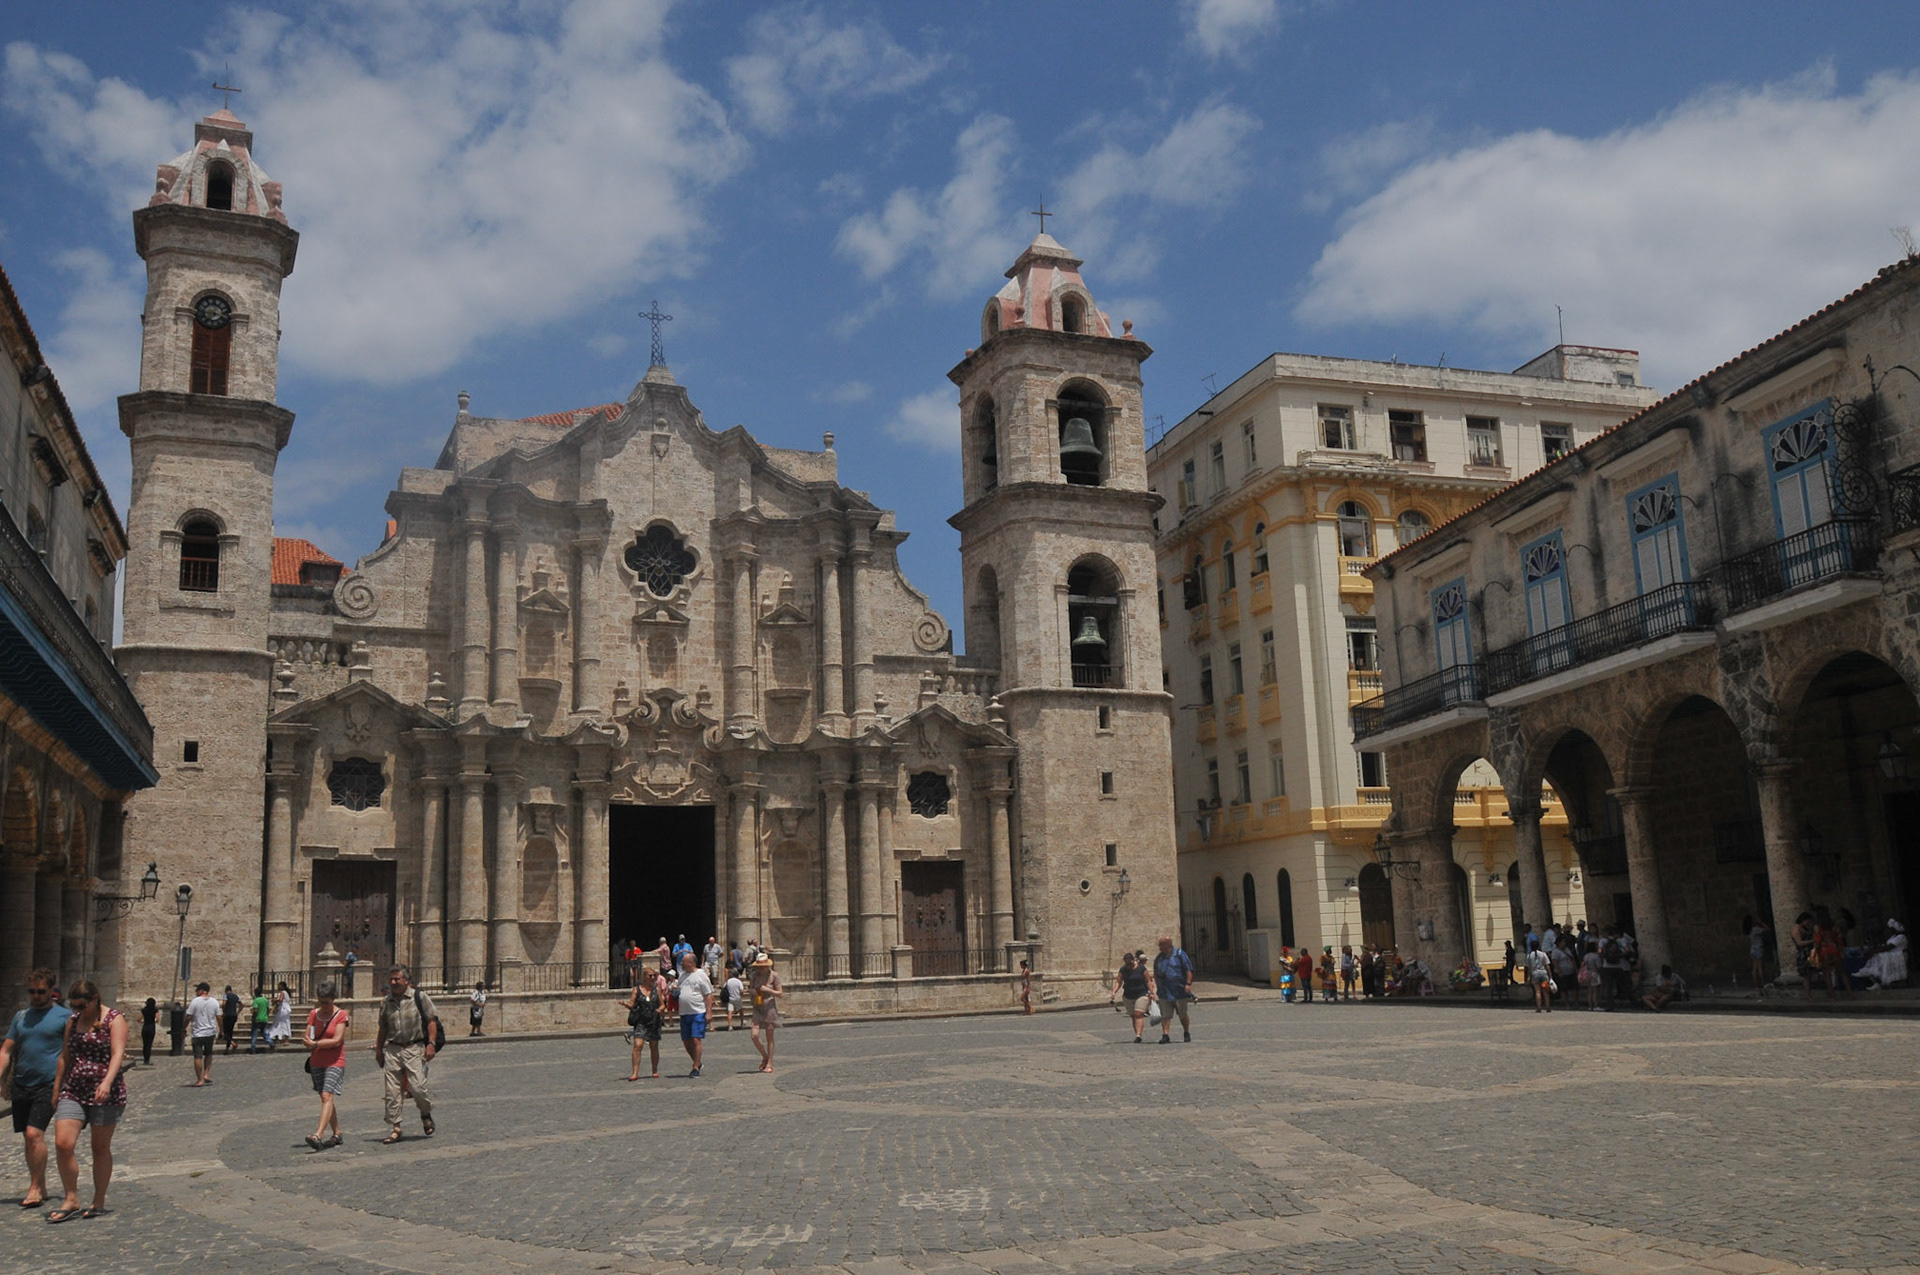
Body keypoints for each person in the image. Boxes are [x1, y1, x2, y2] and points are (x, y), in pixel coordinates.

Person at [46, 979, 127, 1222]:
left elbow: (118, 1054)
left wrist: (107, 1082)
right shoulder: (73, 1021)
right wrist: (56, 1088)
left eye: (82, 1006)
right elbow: (65, 1056)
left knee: (99, 1148)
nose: (78, 1010)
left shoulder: (114, 1019)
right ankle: (71, 1198)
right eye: (74, 1006)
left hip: (106, 1092)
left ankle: (98, 1201)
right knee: (63, 1143)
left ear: (94, 1000)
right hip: (74, 1089)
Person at [1, 969, 72, 1209]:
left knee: (34, 1134)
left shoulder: (64, 1017)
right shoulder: (21, 1017)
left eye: (40, 991)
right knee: (28, 1138)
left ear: (51, 990)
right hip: (22, 1083)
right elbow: (6, 1051)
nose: (35, 996)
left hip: (49, 1084)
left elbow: (69, 1052)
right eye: (31, 991)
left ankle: (34, 1188)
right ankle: (39, 1183)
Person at [373, 965, 439, 1144]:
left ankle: (425, 1113)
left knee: (417, 1087)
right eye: (391, 979)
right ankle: (396, 1128)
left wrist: (431, 1044)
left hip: (413, 1047)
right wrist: (379, 1050)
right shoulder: (386, 1002)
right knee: (392, 1091)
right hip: (393, 1049)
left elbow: (432, 1021)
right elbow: (383, 1027)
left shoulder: (420, 997)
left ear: (406, 981)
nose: (393, 982)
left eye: (397, 979)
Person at [304, 982, 349, 1150]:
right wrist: (310, 1042)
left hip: (335, 1061)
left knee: (326, 1095)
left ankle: (318, 1135)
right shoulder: (313, 1014)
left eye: (327, 1002)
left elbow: (337, 1040)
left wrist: (316, 1044)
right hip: (317, 1061)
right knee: (326, 1098)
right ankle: (337, 1133)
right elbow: (307, 1036)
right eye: (321, 1002)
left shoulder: (341, 1015)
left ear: (334, 999)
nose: (324, 1006)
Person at [675, 950, 714, 1077]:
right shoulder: (682, 976)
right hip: (684, 1012)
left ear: (691, 963)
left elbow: (708, 995)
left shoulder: (701, 975)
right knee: (686, 1041)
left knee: (696, 1039)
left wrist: (709, 1012)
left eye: (683, 962)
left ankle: (695, 1067)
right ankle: (697, 1061)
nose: (681, 963)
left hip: (697, 1011)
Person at [619, 974, 662, 1080]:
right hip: (641, 1021)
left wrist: (660, 1009)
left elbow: (662, 1004)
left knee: (654, 1045)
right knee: (638, 1045)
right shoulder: (636, 990)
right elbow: (632, 1005)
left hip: (653, 1020)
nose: (653, 978)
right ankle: (635, 1073)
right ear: (644, 977)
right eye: (650, 976)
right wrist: (625, 1004)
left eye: (654, 976)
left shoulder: (657, 990)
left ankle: (655, 1070)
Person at [1153, 935, 1194, 1043]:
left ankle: (1186, 1032)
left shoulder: (1180, 954)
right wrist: (1157, 986)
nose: (1160, 947)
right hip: (1164, 991)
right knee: (1165, 1015)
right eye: (1159, 944)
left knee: (1182, 1014)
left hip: (1178, 990)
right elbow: (1155, 972)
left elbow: (1188, 970)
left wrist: (1188, 984)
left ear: (1168, 944)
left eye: (1162, 944)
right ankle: (1165, 1035)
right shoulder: (1159, 958)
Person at [748, 953, 784, 1073]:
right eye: (759, 966)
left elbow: (780, 993)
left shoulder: (774, 976)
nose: (760, 969)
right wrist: (752, 991)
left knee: (769, 1036)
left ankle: (770, 1062)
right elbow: (750, 988)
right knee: (754, 1035)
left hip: (769, 1008)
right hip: (757, 1007)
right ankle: (764, 1056)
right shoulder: (754, 975)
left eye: (762, 966)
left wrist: (767, 990)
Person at [1111, 952, 1153, 1043]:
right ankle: (1137, 1033)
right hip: (1128, 995)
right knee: (1133, 1016)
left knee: (1138, 1014)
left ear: (1133, 961)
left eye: (1130, 963)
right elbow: (1119, 982)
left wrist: (1151, 992)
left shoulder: (1141, 968)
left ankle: (1138, 1035)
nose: (1128, 965)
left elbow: (1148, 980)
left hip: (1141, 994)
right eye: (1126, 963)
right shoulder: (1123, 970)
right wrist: (1114, 991)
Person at [1856, 919, 1909, 988]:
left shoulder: (1901, 937)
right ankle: (1873, 976)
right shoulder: (1893, 937)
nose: (1889, 931)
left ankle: (1876, 978)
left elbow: (1888, 947)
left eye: (1891, 929)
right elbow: (1885, 946)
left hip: (1899, 956)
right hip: (1892, 955)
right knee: (1878, 957)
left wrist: (1874, 951)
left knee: (1879, 956)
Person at [186, 982, 221, 1085]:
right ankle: (206, 1074)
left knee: (198, 1056)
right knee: (208, 1053)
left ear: (202, 990)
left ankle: (199, 1079)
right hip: (210, 1032)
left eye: (197, 990)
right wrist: (221, 1030)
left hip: (197, 1033)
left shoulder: (194, 1002)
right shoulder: (214, 1002)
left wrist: (183, 1028)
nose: (196, 991)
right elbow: (219, 1017)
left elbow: (188, 1017)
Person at [1745, 916, 1772, 994]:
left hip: (1752, 949)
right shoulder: (1756, 929)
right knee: (1760, 967)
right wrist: (1761, 923)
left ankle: (1756, 984)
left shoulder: (1749, 931)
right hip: (1758, 948)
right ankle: (1763, 983)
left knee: (1754, 968)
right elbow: (1768, 930)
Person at [1526, 940, 1553, 1013]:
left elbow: (1529, 968)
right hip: (1543, 973)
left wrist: (1529, 976)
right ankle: (1548, 1007)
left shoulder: (1529, 956)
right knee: (1546, 991)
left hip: (1535, 974)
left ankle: (1539, 1007)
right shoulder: (1543, 954)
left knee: (1538, 991)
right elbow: (1547, 965)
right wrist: (1550, 975)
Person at [249, 986, 271, 1053]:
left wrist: (253, 1016)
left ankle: (253, 1048)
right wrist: (266, 1015)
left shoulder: (256, 1000)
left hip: (257, 1019)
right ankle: (271, 1043)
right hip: (264, 1018)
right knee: (264, 1033)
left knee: (254, 1034)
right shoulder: (265, 1000)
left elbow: (255, 1010)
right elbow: (268, 1009)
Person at [1581, 941, 1603, 1011]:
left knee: (1590, 991)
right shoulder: (1596, 956)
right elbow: (1599, 966)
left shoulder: (1586, 956)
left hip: (1587, 973)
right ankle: (1596, 1005)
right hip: (1595, 973)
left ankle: (1590, 1006)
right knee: (1595, 991)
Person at [220, 984, 241, 1054]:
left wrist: (223, 1011)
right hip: (234, 1015)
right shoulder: (235, 996)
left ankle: (233, 1043)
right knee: (230, 1032)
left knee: (224, 1032)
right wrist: (238, 1012)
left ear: (226, 990)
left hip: (227, 1015)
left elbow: (224, 1004)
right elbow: (242, 1004)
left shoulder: (226, 995)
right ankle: (227, 1049)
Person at [138, 998, 158, 1066]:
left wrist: (144, 1021)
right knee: (149, 1044)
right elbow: (157, 1019)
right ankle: (147, 1060)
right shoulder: (155, 1010)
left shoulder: (143, 1010)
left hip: (145, 1027)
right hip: (151, 1027)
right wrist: (152, 1021)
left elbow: (139, 1019)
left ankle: (145, 1059)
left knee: (145, 1044)